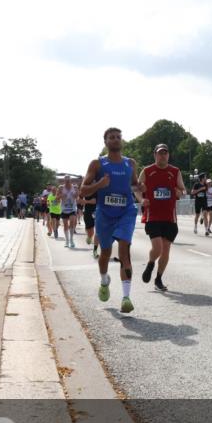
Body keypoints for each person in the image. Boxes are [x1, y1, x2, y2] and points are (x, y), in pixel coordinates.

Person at [80, 127, 142, 314]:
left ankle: (126, 297)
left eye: (118, 137)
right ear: (105, 142)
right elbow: (83, 190)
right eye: (111, 137)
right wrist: (99, 185)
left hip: (126, 212)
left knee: (125, 249)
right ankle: (104, 280)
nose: (115, 140)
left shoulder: (130, 163)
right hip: (104, 214)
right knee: (105, 252)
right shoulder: (97, 164)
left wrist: (140, 188)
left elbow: (134, 185)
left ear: (121, 141)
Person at [139, 144, 186, 291]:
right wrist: (141, 199)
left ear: (168, 155)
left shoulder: (175, 171)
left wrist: (179, 192)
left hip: (170, 218)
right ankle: (151, 263)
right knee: (158, 248)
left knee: (166, 249)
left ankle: (158, 278)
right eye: (160, 153)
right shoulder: (147, 171)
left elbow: (183, 190)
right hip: (152, 216)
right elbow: (135, 187)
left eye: (165, 153)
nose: (163, 156)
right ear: (155, 155)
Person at [59, 175, 79, 248]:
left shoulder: (75, 187)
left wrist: (76, 193)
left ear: (70, 180)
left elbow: (77, 196)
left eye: (68, 180)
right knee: (65, 225)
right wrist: (61, 195)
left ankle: (71, 239)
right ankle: (67, 241)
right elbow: (57, 197)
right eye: (66, 180)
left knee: (72, 222)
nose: (67, 182)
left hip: (72, 208)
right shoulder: (61, 187)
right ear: (64, 181)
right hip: (64, 209)